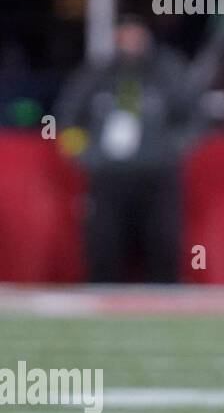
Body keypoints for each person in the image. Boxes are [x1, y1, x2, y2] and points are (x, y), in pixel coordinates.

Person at [54, 15, 197, 283]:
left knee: (164, 242)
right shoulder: (95, 75)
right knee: (103, 245)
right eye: (125, 38)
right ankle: (101, 299)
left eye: (136, 38)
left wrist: (170, 150)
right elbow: (67, 119)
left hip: (157, 176)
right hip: (108, 176)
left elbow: (193, 119)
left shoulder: (168, 73)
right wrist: (85, 155)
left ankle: (167, 302)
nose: (131, 45)